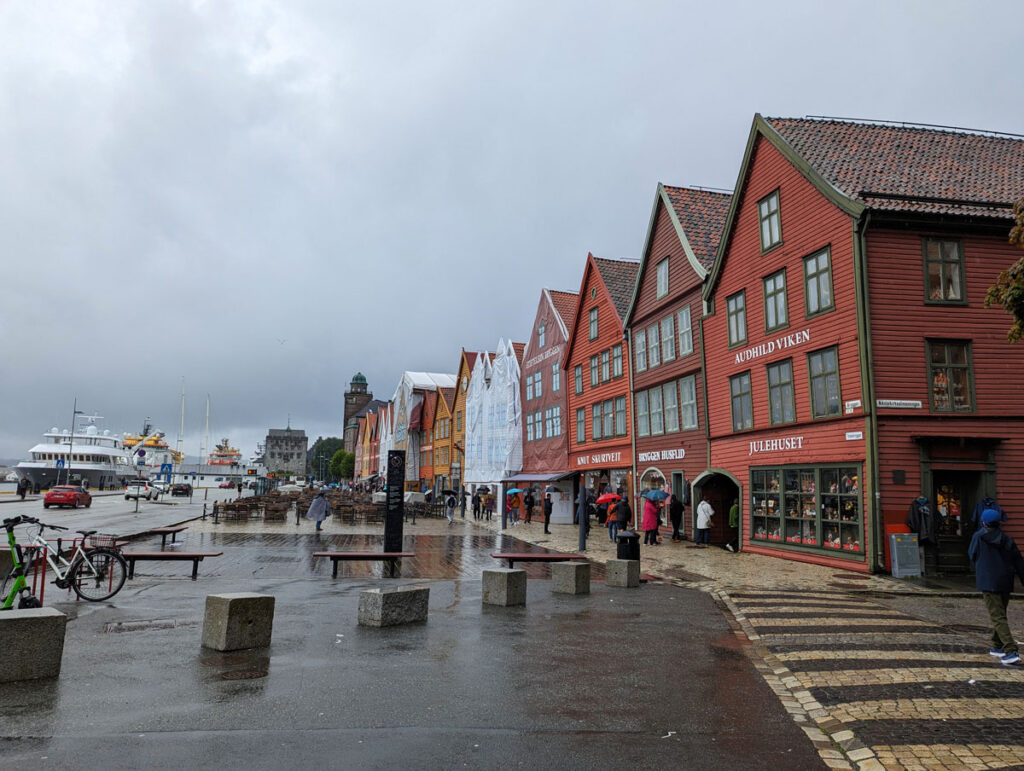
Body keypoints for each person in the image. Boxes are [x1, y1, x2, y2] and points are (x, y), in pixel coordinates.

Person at [968, 508, 1024, 666]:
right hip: (1005, 581)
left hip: (988, 581)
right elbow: (1019, 562)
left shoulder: (979, 537)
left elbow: (972, 554)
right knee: (1000, 613)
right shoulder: (1007, 539)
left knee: (997, 616)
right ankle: (997, 645)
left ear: (983, 522)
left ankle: (1011, 650)